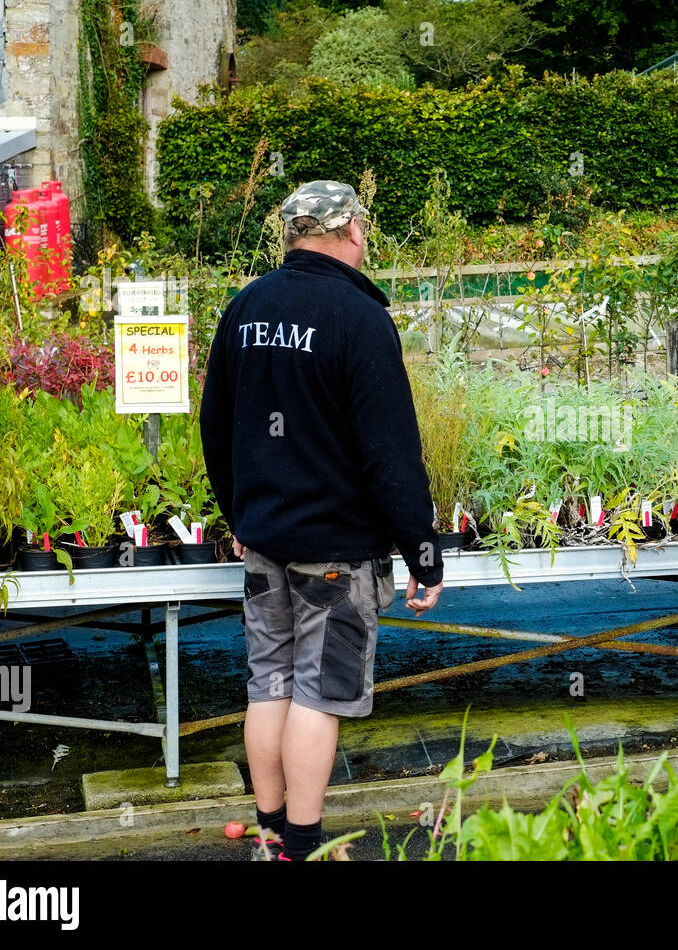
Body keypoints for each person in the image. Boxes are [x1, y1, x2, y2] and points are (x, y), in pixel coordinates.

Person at [200, 180, 445, 860]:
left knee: (270, 681)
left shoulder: (245, 308)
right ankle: (302, 847)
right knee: (319, 691)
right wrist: (423, 551)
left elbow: (216, 427)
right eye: (362, 227)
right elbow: (391, 452)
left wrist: (239, 512)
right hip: (337, 550)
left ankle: (271, 832)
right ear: (351, 231)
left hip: (265, 541)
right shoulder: (358, 318)